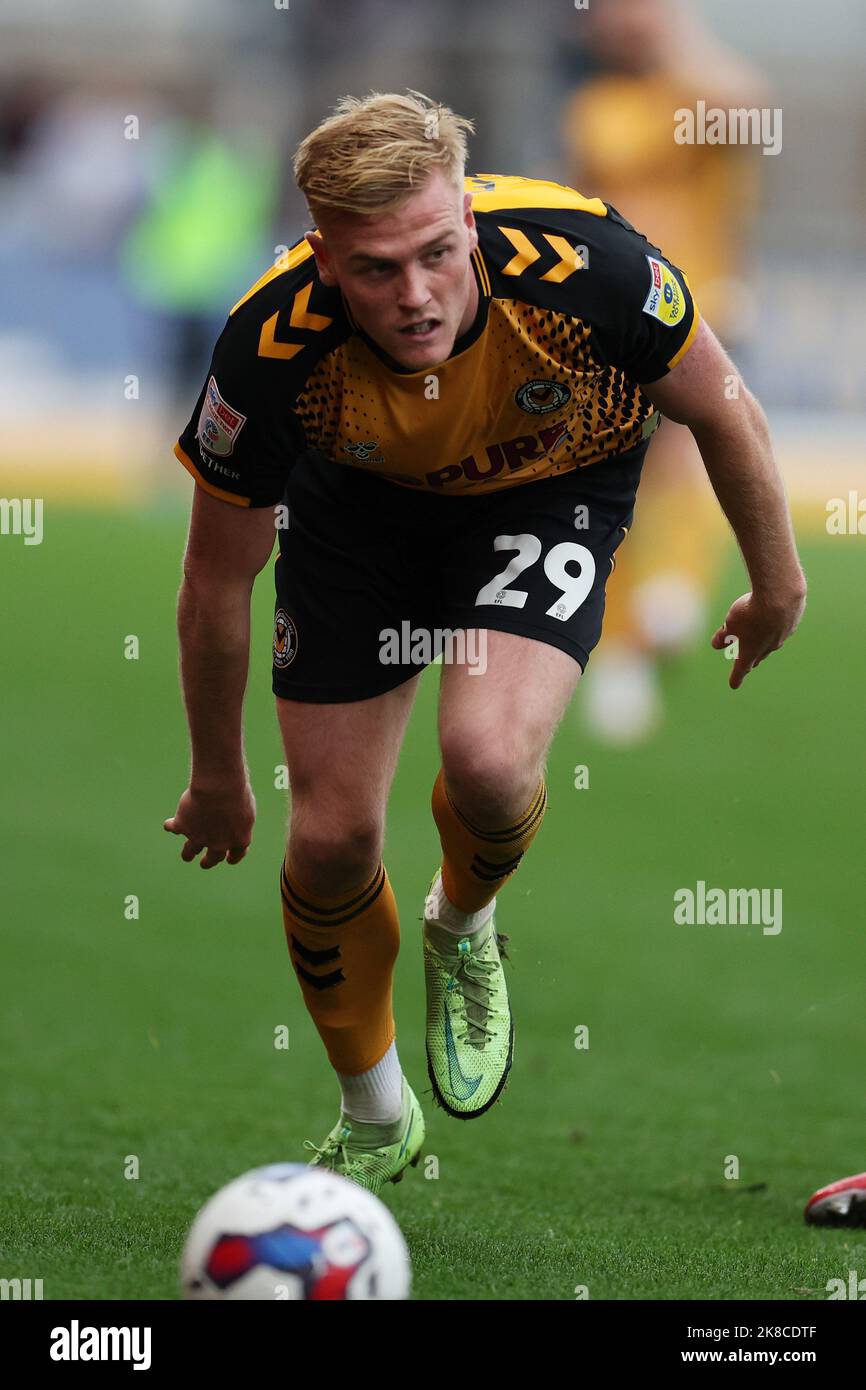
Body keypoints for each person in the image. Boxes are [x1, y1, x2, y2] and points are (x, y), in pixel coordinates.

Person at [165, 90, 806, 1195]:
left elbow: (725, 409)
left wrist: (775, 584)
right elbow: (215, 580)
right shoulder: (266, 351)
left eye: (433, 253)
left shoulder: (591, 265)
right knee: (325, 842)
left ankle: (462, 920)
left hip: (548, 486)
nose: (412, 294)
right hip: (357, 517)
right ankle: (373, 1116)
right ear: (323, 258)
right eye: (374, 270)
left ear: (466, 214)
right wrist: (218, 773)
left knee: (491, 764)